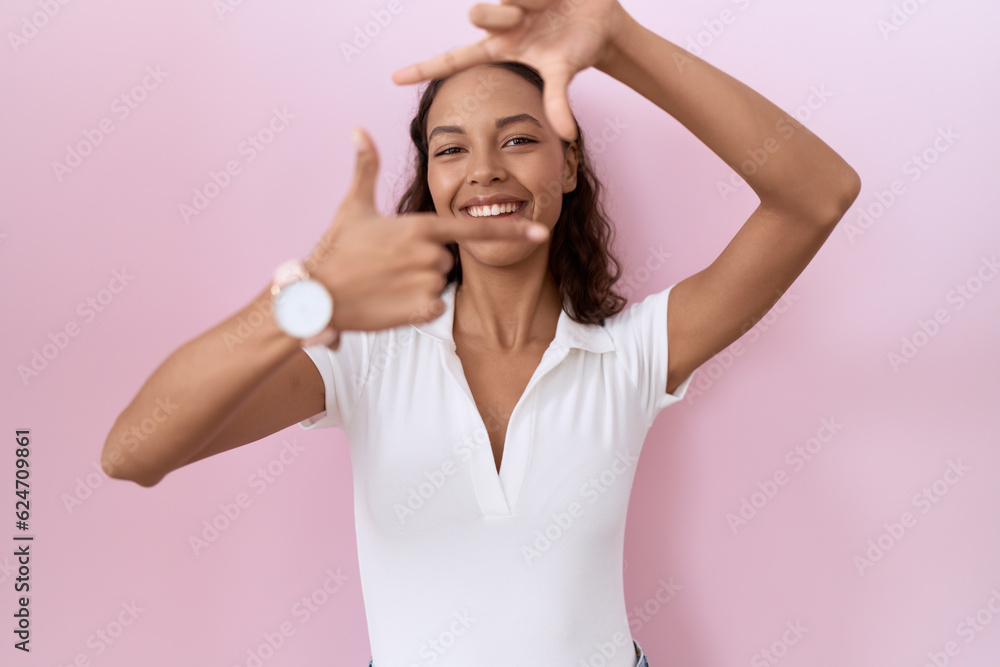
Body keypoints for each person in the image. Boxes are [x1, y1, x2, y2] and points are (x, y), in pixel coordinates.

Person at [102, 0, 861, 665]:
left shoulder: (631, 351)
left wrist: (620, 41)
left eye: (520, 139)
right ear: (428, 179)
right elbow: (135, 451)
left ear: (568, 165)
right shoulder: (362, 357)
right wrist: (312, 290)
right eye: (451, 148)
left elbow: (817, 195)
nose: (485, 170)